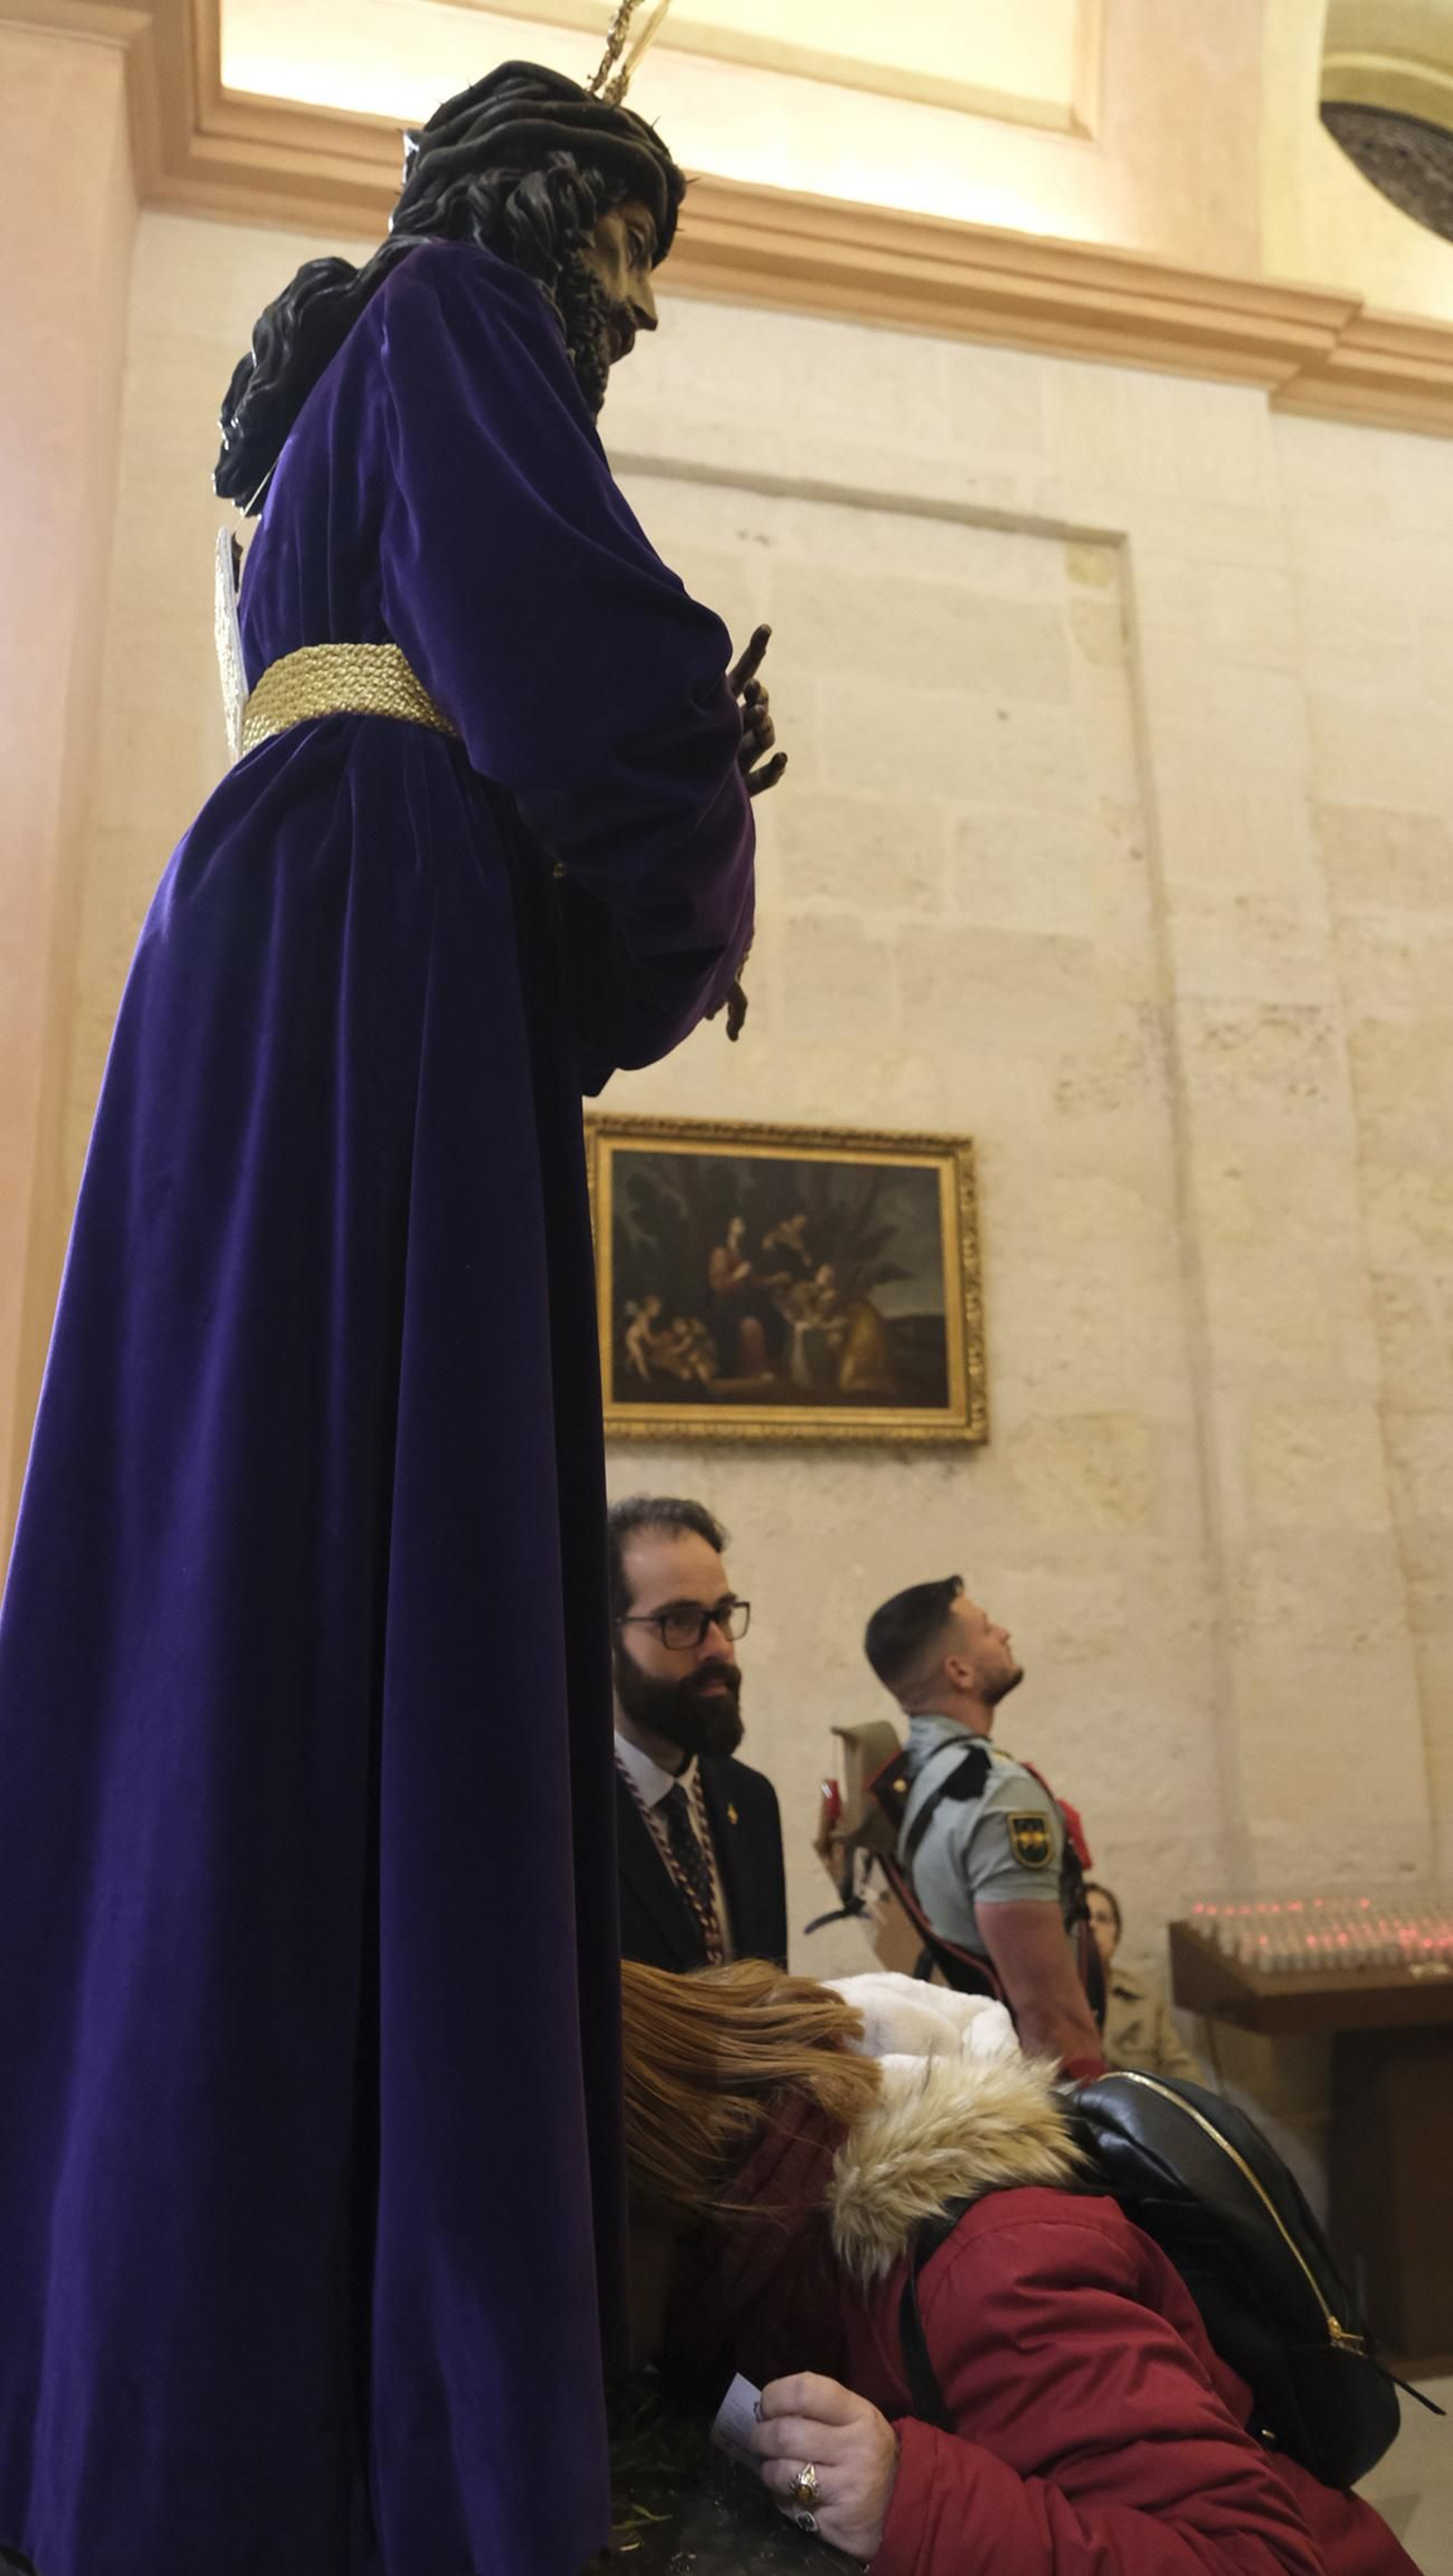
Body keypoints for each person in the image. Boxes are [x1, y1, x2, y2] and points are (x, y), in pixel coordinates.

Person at [0, 54, 779, 2576]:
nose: (634, 313)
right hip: (371, 958)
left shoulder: (306, 415)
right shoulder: (451, 311)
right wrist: (704, 811)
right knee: (381, 1593)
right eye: (628, 253)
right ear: (542, 217)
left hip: (267, 955)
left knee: (244, 1595)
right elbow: (588, 682)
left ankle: (167, 2346)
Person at [619, 1960, 1418, 2576]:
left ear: (643, 2196)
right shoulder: (760, 2261)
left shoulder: (985, 2265)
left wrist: (910, 2503)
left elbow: (1258, 2560)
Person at [864, 1575, 1104, 2076]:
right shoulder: (1000, 1795)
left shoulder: (912, 1777)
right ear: (960, 1671)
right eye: (987, 1628)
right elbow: (1047, 2012)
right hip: (1031, 2083)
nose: (1005, 1632)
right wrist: (1097, 2131)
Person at [610, 1495, 787, 1972]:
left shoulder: (749, 1800)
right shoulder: (558, 1818)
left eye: (724, 1615)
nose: (720, 1648)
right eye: (681, 1621)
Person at [1088, 1880, 1206, 2082]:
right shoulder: (1046, 2002)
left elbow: (1181, 2072)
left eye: (1103, 1918)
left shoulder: (1145, 1998)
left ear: (1117, 1932)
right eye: (1083, 1918)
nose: (1091, 1925)